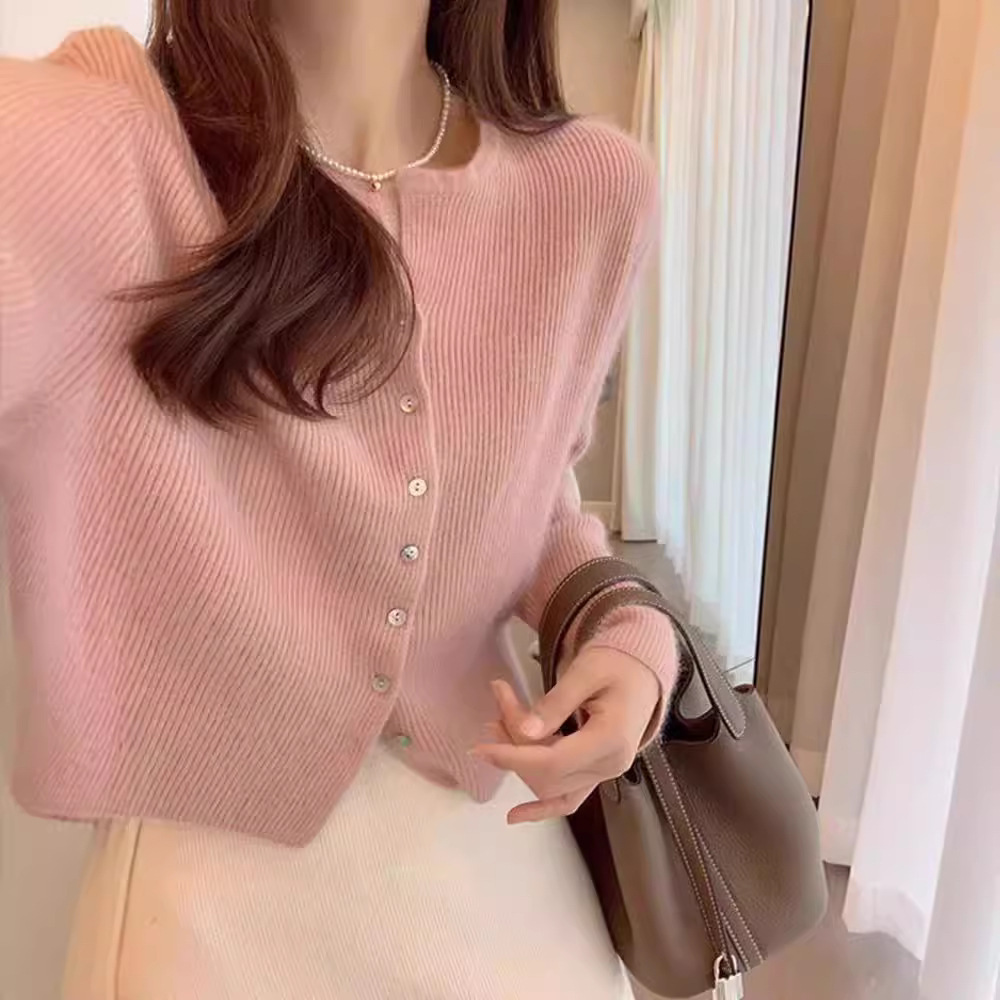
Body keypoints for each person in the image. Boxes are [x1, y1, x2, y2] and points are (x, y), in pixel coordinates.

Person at [0, 1, 678, 997]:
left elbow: (537, 499)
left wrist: (627, 630)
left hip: (507, 867)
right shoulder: (98, 144)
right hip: (204, 909)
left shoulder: (591, 193)